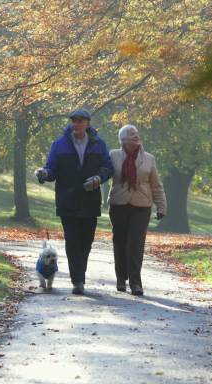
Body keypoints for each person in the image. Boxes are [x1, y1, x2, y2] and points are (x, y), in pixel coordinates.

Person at [35, 108, 113, 295]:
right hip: (67, 201)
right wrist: (43, 174)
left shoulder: (98, 144)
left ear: (87, 123)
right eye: (73, 121)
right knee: (72, 241)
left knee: (86, 241)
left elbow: (108, 167)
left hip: (90, 201)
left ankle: (80, 274)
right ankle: (77, 280)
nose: (76, 124)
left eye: (80, 121)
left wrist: (98, 178)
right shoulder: (59, 144)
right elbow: (51, 170)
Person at [108, 124, 166, 296]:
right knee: (120, 242)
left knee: (135, 244)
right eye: (131, 135)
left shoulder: (149, 158)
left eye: (137, 134)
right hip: (119, 204)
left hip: (142, 206)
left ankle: (135, 282)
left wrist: (161, 206)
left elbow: (156, 185)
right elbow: (104, 173)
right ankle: (121, 278)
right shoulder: (113, 155)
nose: (136, 136)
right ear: (123, 140)